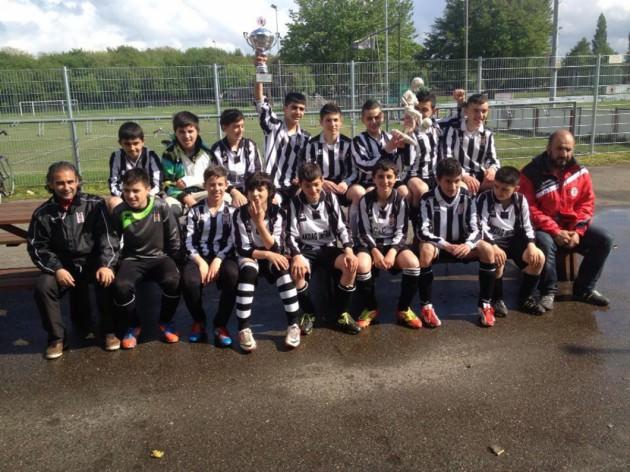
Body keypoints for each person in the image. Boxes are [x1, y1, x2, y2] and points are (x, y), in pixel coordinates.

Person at [27, 161, 117, 359]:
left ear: (78, 182)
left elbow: (108, 236)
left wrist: (106, 264)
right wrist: (57, 268)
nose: (66, 187)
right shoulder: (42, 213)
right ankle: (57, 338)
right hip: (63, 266)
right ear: (50, 184)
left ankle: (109, 331)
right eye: (60, 183)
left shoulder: (95, 204)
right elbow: (37, 247)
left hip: (92, 262)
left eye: (70, 182)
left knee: (109, 277)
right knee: (43, 286)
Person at [520, 129, 613, 310]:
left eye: (568, 149)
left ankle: (584, 289)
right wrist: (555, 231)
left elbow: (587, 204)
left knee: (605, 240)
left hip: (572, 229)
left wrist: (578, 232)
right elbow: (529, 209)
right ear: (549, 148)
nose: (564, 154)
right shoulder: (530, 173)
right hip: (543, 229)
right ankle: (548, 291)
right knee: (544, 243)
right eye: (560, 149)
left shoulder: (580, 172)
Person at [416, 158, 497, 327]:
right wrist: (446, 245)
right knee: (425, 250)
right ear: (438, 179)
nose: (453, 186)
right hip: (439, 246)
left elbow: (477, 229)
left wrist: (467, 245)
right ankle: (426, 306)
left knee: (488, 249)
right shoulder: (427, 199)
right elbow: (422, 231)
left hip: (462, 246)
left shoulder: (468, 197)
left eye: (457, 181)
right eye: (448, 181)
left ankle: (485, 304)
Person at [286, 162, 361, 335]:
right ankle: (309, 313)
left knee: (350, 265)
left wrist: (349, 250)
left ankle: (341, 313)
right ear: (300, 184)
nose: (313, 190)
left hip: (328, 248)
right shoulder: (294, 203)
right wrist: (296, 256)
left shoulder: (330, 198)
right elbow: (290, 235)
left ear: (322, 181)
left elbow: (342, 228)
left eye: (316, 185)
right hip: (306, 250)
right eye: (307, 186)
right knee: (297, 272)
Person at [110, 169, 182, 350]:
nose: (130, 195)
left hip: (159, 257)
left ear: (148, 189)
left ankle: (166, 321)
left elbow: (173, 237)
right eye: (126, 191)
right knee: (121, 286)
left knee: (173, 280)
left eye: (136, 191)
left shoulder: (160, 206)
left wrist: (176, 262)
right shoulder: (120, 211)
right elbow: (111, 241)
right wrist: (109, 265)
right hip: (132, 259)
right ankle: (133, 325)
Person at [232, 172, 303, 352]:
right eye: (251, 190)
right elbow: (242, 248)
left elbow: (276, 248)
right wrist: (267, 255)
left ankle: (294, 324)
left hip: (271, 253)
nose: (255, 194)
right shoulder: (239, 213)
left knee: (282, 270)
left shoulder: (278, 213)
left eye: (260, 190)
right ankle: (243, 328)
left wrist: (259, 224)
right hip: (252, 254)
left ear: (269, 192)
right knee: (248, 272)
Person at [354, 158, 423, 330]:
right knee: (362, 265)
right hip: (370, 244)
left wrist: (392, 251)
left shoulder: (401, 200)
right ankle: (370, 308)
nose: (385, 181)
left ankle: (403, 309)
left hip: (393, 244)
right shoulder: (365, 200)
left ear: (395, 178)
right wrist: (375, 251)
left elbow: (402, 231)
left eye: (389, 177)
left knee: (413, 263)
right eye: (380, 177)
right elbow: (363, 231)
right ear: (373, 178)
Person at [476, 166, 546, 316]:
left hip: (514, 241)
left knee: (538, 258)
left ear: (516, 189)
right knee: (497, 260)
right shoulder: (484, 198)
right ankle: (497, 299)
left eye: (505, 189)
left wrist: (531, 245)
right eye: (496, 186)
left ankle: (525, 299)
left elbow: (527, 225)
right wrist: (494, 246)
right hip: (493, 241)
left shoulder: (521, 200)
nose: (499, 192)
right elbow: (480, 226)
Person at [181, 165, 239, 346]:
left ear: (226, 185)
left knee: (233, 275)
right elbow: (188, 241)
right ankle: (199, 321)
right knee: (189, 281)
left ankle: (220, 324)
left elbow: (233, 241)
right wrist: (200, 262)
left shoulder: (232, 212)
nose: (216, 189)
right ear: (205, 185)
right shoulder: (195, 211)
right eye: (212, 184)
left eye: (220, 184)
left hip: (223, 256)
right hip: (199, 256)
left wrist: (218, 260)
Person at [254, 55, 310, 204]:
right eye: (294, 108)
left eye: (301, 109)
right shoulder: (273, 126)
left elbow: (307, 165)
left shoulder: (306, 138)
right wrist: (260, 70)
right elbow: (260, 100)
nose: (298, 112)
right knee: (274, 203)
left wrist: (301, 178)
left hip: (295, 186)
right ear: (285, 108)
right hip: (272, 186)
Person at [349, 99, 406, 231]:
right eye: (369, 118)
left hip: (390, 180)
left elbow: (399, 167)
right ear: (363, 120)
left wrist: (403, 150)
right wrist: (386, 151)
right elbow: (365, 166)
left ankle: (400, 232)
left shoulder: (390, 137)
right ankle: (356, 234)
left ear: (382, 117)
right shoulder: (358, 141)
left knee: (404, 192)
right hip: (368, 181)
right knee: (370, 193)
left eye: (377, 117)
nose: (374, 121)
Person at [441, 93, 499, 194]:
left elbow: (492, 159)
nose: (480, 115)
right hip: (457, 176)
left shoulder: (487, 133)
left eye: (484, 111)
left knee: (502, 186)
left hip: (480, 177)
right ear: (466, 111)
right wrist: (463, 175)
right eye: (476, 110)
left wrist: (492, 170)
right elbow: (446, 157)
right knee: (463, 190)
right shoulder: (454, 129)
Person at [303, 102, 358, 204]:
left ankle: (353, 215)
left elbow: (353, 170)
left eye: (335, 120)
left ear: (341, 122)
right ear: (321, 122)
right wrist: (321, 182)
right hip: (321, 185)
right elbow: (309, 170)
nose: (332, 124)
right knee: (307, 192)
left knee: (358, 192)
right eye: (328, 120)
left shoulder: (349, 144)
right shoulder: (312, 145)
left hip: (342, 186)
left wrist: (346, 183)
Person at [208, 109, 262, 208]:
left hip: (249, 188)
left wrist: (249, 192)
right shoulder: (217, 149)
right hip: (227, 191)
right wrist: (234, 192)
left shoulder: (250, 145)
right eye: (236, 127)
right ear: (224, 128)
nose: (241, 130)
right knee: (228, 204)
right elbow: (217, 177)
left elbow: (256, 173)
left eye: (242, 126)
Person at [161, 111, 212, 212]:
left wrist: (189, 181)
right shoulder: (169, 154)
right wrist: (184, 197)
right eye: (181, 132)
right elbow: (167, 183)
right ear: (175, 133)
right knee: (169, 207)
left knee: (226, 199)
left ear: (197, 131)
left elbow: (215, 178)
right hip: (179, 195)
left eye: (190, 131)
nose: (186, 136)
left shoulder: (208, 152)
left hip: (205, 192)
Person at [107, 121, 162, 211]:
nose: (132, 148)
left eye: (136, 143)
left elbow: (158, 185)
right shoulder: (116, 157)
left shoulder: (151, 156)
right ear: (120, 143)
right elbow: (113, 184)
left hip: (148, 196)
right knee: (113, 202)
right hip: (125, 197)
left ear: (143, 142)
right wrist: (127, 197)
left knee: (159, 203)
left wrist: (143, 196)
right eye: (127, 144)